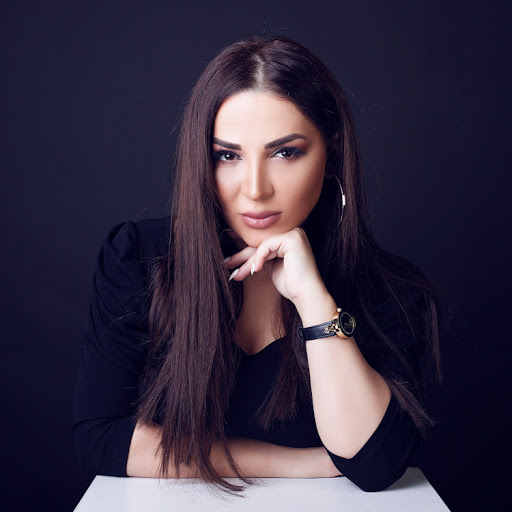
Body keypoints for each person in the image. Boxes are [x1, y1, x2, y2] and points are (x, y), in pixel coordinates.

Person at [72, 35, 441, 497]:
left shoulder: (389, 290)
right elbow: (101, 438)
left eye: (285, 152)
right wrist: (297, 465)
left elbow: (375, 464)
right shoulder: (139, 259)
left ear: (331, 155)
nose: (255, 189)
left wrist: (314, 302)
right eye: (228, 156)